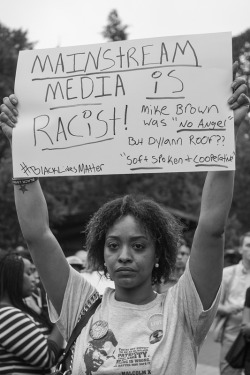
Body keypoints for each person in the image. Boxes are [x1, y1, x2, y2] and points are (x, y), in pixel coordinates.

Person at [0, 62, 249, 374]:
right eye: (113, 245)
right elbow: (37, 235)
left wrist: (226, 134)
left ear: (159, 254)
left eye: (139, 246)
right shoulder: (81, 304)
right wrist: (21, 148)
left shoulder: (182, 310)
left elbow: (211, 228)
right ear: (101, 254)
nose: (125, 256)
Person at [0, 250, 64, 374]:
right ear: (13, 277)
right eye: (29, 273)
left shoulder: (13, 312)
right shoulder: (7, 316)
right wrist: (62, 317)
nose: (35, 278)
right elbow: (47, 357)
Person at [217, 232, 250, 374]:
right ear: (240, 249)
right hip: (232, 333)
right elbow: (213, 305)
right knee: (228, 371)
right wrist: (228, 309)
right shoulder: (227, 274)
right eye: (248, 245)